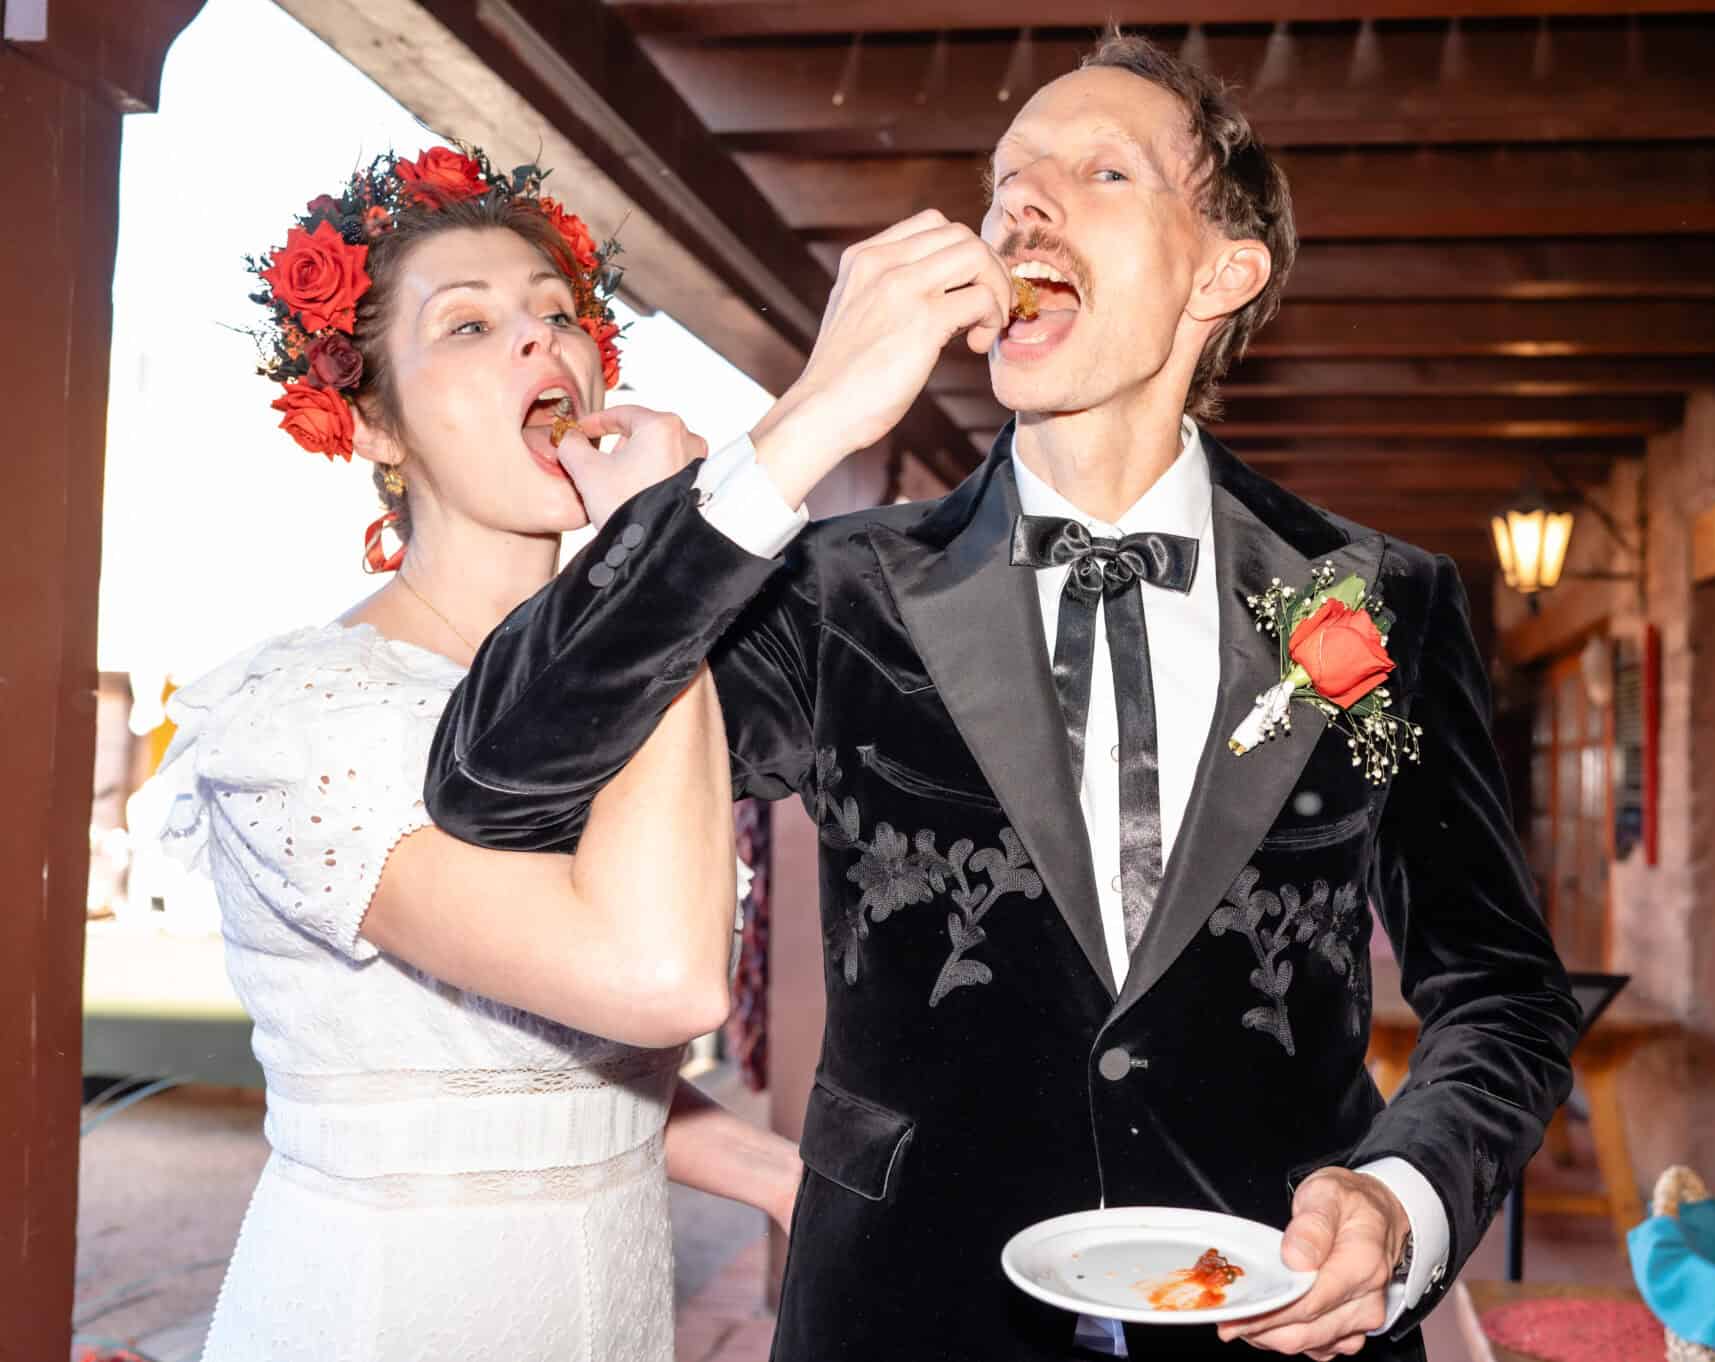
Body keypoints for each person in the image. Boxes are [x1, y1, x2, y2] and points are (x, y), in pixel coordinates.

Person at [428, 33, 1579, 1362]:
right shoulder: (835, 591)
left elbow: (1502, 991)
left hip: (1271, 1320)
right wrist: (805, 419)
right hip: (907, 1319)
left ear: (1224, 268)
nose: (1022, 204)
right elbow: (496, 781)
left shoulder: (1380, 601)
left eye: (1099, 172)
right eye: (1004, 181)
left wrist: (1403, 1195)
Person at [147, 145, 798, 1362]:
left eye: (558, 313)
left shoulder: (629, 681)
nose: (538, 341)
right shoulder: (302, 717)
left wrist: (780, 1172)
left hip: (609, 1310)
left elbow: (525, 1073)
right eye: (468, 323)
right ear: (374, 426)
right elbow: (658, 983)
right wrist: (666, 560)